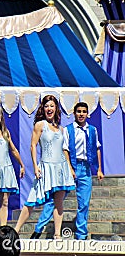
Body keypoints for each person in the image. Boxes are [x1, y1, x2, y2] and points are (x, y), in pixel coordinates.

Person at [30, 102, 104, 240]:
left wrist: (99, 168)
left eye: (84, 111)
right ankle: (38, 229)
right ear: (74, 113)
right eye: (78, 111)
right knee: (55, 199)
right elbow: (64, 149)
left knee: (84, 202)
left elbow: (97, 148)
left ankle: (81, 234)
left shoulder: (92, 129)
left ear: (87, 114)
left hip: (86, 168)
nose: (81, 114)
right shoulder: (68, 130)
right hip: (70, 166)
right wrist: (69, 167)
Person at [14, 95, 75, 239]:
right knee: (32, 199)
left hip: (60, 168)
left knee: (58, 201)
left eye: (52, 106)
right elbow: (33, 145)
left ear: (56, 109)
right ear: (43, 108)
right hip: (45, 167)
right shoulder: (40, 125)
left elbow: (64, 151)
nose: (49, 108)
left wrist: (70, 168)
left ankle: (57, 234)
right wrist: (35, 166)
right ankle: (15, 230)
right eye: (47, 106)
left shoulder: (61, 129)